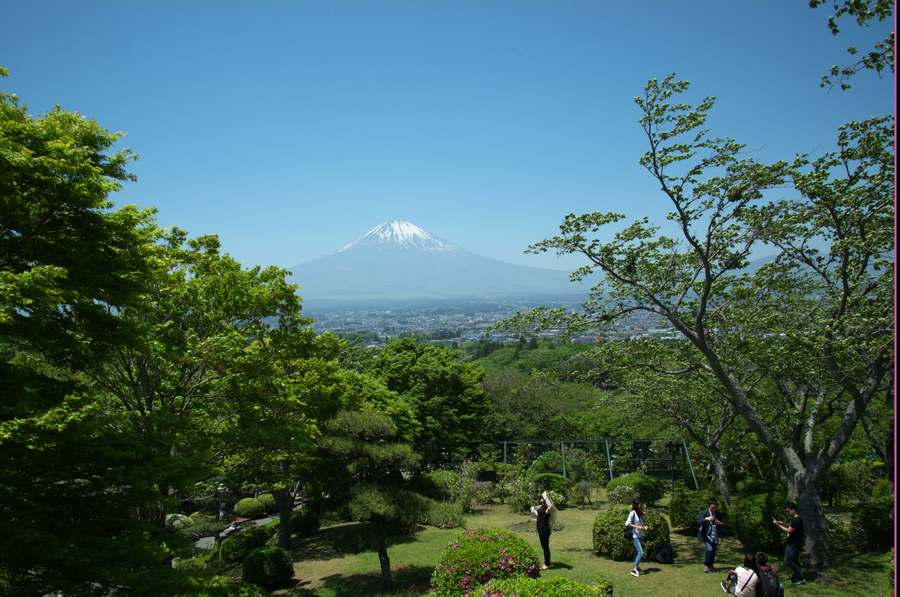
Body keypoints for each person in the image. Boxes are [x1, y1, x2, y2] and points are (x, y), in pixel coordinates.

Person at [772, 502, 805, 585]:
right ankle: (796, 577)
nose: (787, 513)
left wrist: (777, 525)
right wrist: (782, 523)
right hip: (793, 543)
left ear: (793, 510)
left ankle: (801, 578)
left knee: (788, 561)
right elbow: (791, 527)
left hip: (793, 544)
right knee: (795, 561)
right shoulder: (795, 519)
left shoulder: (797, 520)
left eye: (788, 511)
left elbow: (789, 530)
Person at [697, 497, 725, 572]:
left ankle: (711, 566)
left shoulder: (718, 513)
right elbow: (699, 521)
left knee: (713, 551)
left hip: (715, 535)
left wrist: (719, 522)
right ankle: (706, 565)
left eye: (715, 507)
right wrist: (706, 519)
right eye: (712, 507)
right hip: (706, 535)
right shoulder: (705, 512)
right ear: (709, 506)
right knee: (709, 549)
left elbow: (723, 523)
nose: (714, 509)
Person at [530, 490, 555, 570]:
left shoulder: (548, 509)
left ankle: (547, 564)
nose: (541, 503)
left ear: (545, 502)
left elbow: (551, 505)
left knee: (545, 547)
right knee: (544, 547)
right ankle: (547, 562)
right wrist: (533, 510)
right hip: (540, 530)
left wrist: (545, 496)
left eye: (543, 501)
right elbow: (538, 514)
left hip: (544, 530)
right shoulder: (541, 508)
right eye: (540, 501)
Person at [625, 499, 648, 577]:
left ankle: (637, 567)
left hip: (640, 535)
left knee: (637, 553)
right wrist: (640, 527)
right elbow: (627, 523)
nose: (640, 506)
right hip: (636, 536)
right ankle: (634, 570)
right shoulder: (633, 513)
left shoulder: (639, 512)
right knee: (641, 552)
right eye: (639, 504)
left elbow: (642, 518)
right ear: (636, 505)